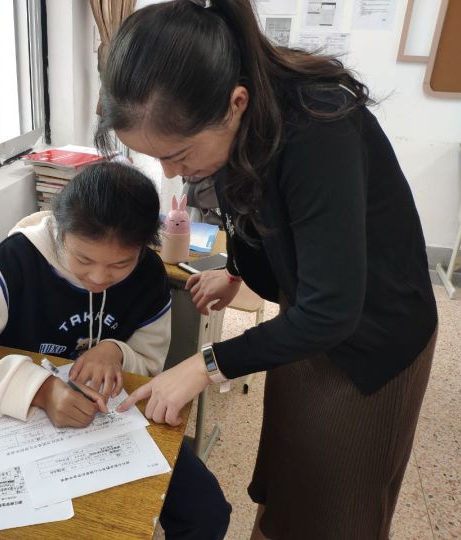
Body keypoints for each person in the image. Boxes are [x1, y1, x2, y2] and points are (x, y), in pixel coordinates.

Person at [98, 1, 438, 539]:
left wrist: (206, 364)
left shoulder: (320, 128)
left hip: (373, 335)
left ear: (234, 105)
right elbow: (256, 206)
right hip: (308, 316)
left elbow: (331, 311)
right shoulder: (236, 114)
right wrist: (235, 269)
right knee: (292, 476)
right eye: (156, 158)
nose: (171, 172)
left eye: (179, 155)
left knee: (336, 505)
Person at [0, 161, 231, 539]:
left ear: (144, 247)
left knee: (207, 511)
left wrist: (115, 351)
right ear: (61, 231)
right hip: (17, 424)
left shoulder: (148, 276)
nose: (98, 277)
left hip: (107, 422)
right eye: (83, 259)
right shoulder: (16, 263)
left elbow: (149, 362)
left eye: (120, 263)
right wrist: (40, 390)